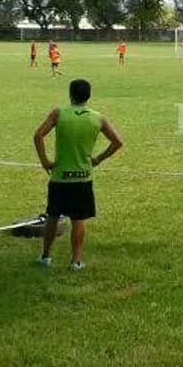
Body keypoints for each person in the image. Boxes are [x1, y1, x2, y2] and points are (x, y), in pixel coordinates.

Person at [33, 79, 124, 270]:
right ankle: (76, 261)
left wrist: (45, 162)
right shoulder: (98, 118)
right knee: (78, 219)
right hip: (82, 178)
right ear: (88, 96)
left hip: (59, 178)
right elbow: (117, 142)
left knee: (52, 216)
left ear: (70, 94)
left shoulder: (58, 114)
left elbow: (38, 135)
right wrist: (98, 159)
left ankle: (46, 257)